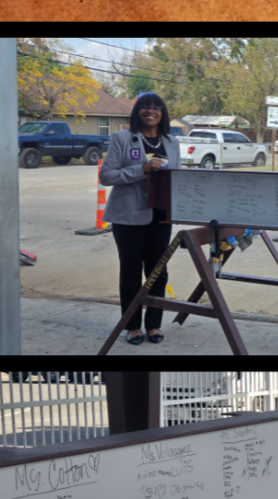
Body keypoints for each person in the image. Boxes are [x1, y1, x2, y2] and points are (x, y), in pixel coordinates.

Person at [99, 92, 181, 345]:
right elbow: (107, 176)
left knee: (158, 271)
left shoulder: (171, 141)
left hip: (161, 216)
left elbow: (177, 176)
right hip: (128, 217)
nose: (151, 111)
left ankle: (154, 324)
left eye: (157, 107)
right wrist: (141, 170)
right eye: (145, 107)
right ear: (137, 112)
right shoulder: (122, 138)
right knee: (131, 272)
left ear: (162, 113)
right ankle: (132, 326)